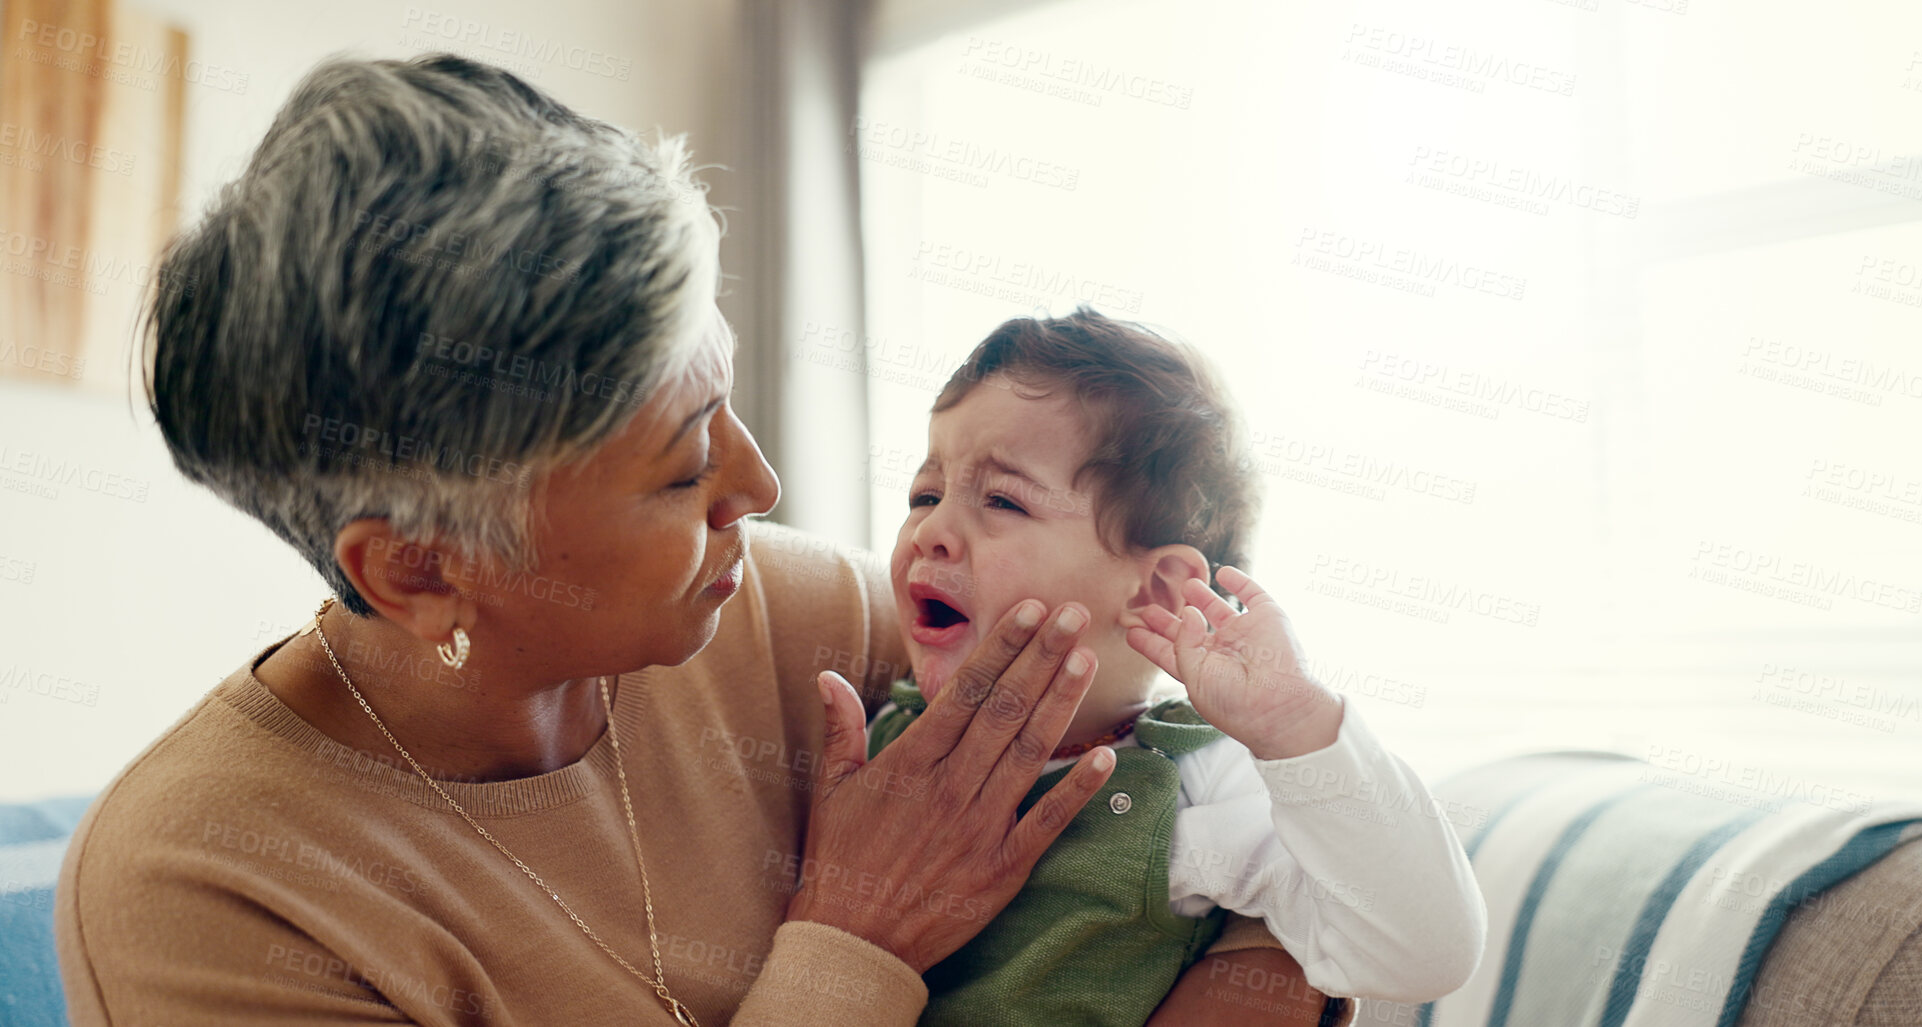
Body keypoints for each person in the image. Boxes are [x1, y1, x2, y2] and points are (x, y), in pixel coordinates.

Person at [50, 53, 1294, 1025]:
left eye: (728, 400)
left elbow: (1269, 794)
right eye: (685, 460)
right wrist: (853, 946)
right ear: (421, 568)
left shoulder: (785, 612)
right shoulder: (204, 894)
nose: (759, 483)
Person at [858, 309, 1489, 1024]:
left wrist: (1297, 725)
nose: (931, 531)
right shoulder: (880, 729)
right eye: (925, 494)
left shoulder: (1199, 782)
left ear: (1155, 591)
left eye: (1001, 499)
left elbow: (1421, 952)